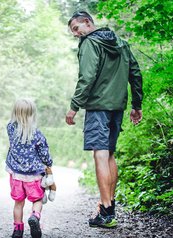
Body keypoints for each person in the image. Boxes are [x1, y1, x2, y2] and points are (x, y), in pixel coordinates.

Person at [65, 11, 143, 228]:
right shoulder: (121, 43)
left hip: (98, 107)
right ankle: (108, 206)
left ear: (88, 23)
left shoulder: (90, 42)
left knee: (100, 155)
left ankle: (106, 212)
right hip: (117, 107)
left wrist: (74, 106)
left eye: (75, 28)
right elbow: (135, 74)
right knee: (109, 155)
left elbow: (87, 77)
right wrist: (137, 105)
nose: (75, 34)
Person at [6, 98, 53, 238]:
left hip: (16, 174)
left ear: (15, 112)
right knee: (37, 199)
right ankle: (35, 216)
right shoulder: (37, 134)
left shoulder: (10, 128)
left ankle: (18, 230)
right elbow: (44, 155)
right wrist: (49, 164)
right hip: (33, 175)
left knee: (18, 203)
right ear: (33, 114)